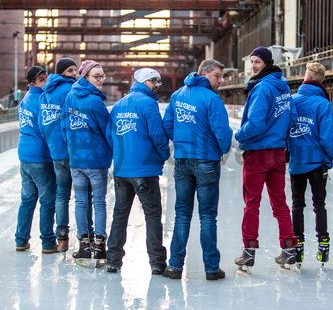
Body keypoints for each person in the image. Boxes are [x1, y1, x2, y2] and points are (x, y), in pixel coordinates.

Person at [162, 59, 233, 280]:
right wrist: (222, 150)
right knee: (207, 216)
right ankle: (211, 268)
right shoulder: (212, 99)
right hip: (206, 161)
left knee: (182, 214)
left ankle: (174, 266)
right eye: (217, 76)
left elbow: (168, 126)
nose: (220, 81)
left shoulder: (178, 95)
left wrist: (182, 142)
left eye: (221, 77)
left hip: (183, 160)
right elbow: (222, 132)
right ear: (204, 73)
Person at [234, 46, 298, 270]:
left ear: (267, 64)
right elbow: (292, 119)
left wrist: (239, 135)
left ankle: (248, 251)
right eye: (251, 62)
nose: (253, 66)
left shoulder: (262, 89)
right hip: (278, 153)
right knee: (280, 203)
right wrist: (278, 133)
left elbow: (255, 124)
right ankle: (289, 248)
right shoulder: (284, 88)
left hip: (259, 153)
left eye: (257, 62)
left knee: (252, 203)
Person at [106, 68, 169, 274]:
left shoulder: (119, 105)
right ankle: (157, 262)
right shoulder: (148, 104)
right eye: (154, 81)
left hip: (123, 169)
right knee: (152, 216)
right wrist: (163, 155)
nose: (157, 85)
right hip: (144, 169)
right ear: (144, 82)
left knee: (120, 215)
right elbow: (157, 135)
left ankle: (113, 260)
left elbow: (109, 135)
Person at [39, 57, 92, 252]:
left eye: (75, 70)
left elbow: (41, 123)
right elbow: (77, 121)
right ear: (62, 72)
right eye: (70, 71)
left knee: (61, 196)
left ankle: (62, 239)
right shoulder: (72, 91)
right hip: (73, 152)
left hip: (56, 153)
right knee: (83, 196)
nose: (75, 74)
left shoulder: (45, 93)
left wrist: (52, 143)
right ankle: (86, 238)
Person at [63, 60, 112, 263]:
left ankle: (84, 246)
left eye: (102, 76)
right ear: (85, 77)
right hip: (96, 160)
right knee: (98, 202)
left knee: (81, 202)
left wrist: (72, 149)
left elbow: (64, 127)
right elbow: (108, 132)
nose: (101, 79)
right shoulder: (95, 102)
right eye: (97, 76)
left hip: (76, 159)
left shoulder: (69, 97)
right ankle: (99, 246)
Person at [287, 62, 333, 266]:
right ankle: (323, 244)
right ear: (322, 81)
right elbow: (326, 137)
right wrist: (331, 158)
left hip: (297, 162)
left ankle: (297, 247)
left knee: (297, 205)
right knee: (319, 204)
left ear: (304, 77)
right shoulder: (323, 104)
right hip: (317, 163)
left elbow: (284, 130)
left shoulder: (292, 101)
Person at [15, 66, 58, 254]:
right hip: (40, 156)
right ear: (32, 82)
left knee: (27, 199)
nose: (46, 82)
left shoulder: (25, 100)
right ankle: (48, 242)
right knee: (47, 201)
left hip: (25, 155)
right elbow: (46, 129)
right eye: (41, 80)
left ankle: (21, 239)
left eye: (46, 78)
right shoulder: (41, 100)